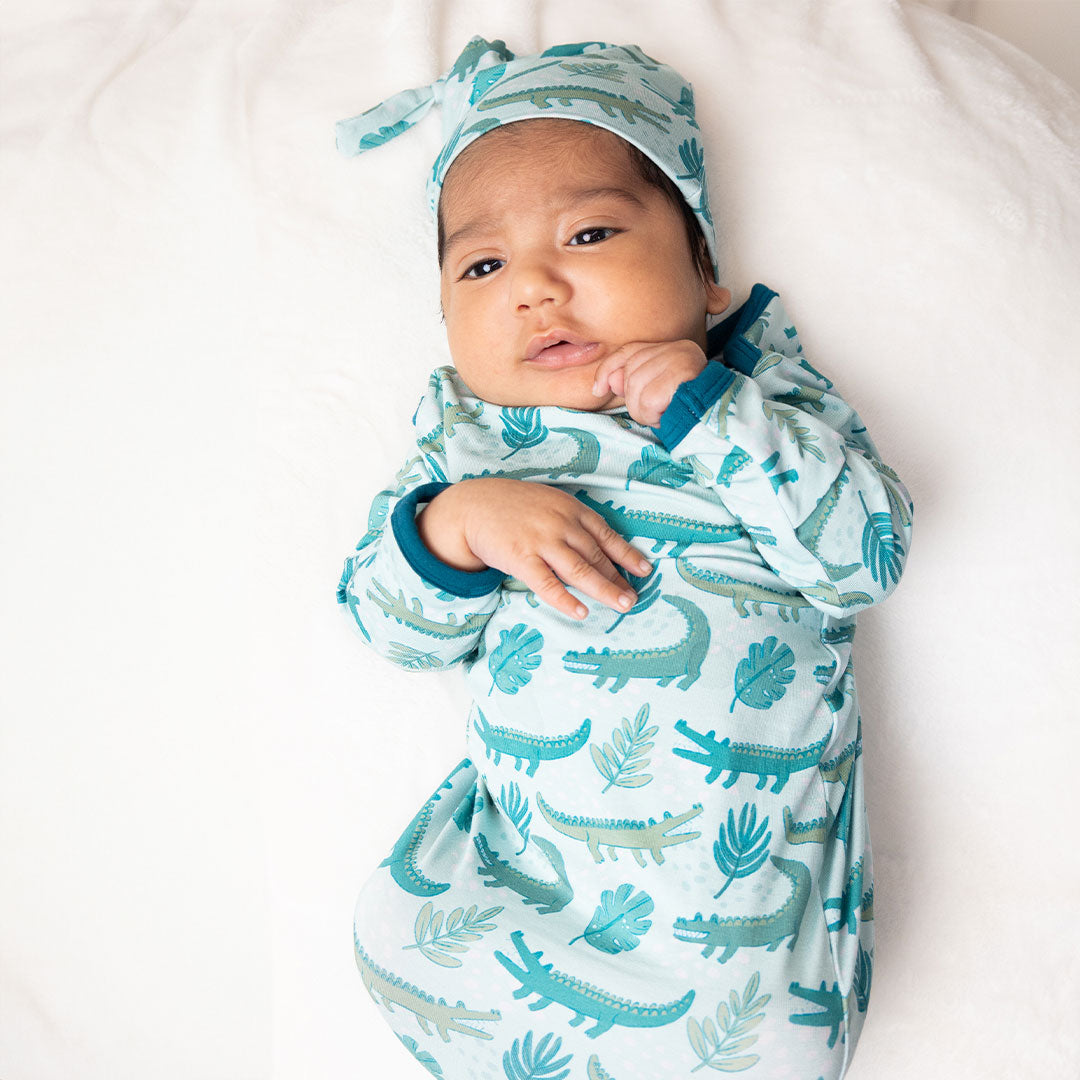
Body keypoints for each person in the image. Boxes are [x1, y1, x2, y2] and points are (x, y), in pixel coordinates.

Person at [334, 37, 913, 1080]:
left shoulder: (763, 399)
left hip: (743, 907)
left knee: (777, 1043)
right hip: (531, 871)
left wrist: (708, 413)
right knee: (396, 938)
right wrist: (458, 526)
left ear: (703, 268)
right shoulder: (466, 445)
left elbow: (862, 557)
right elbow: (384, 621)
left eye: (589, 232)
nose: (536, 287)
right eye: (482, 264)